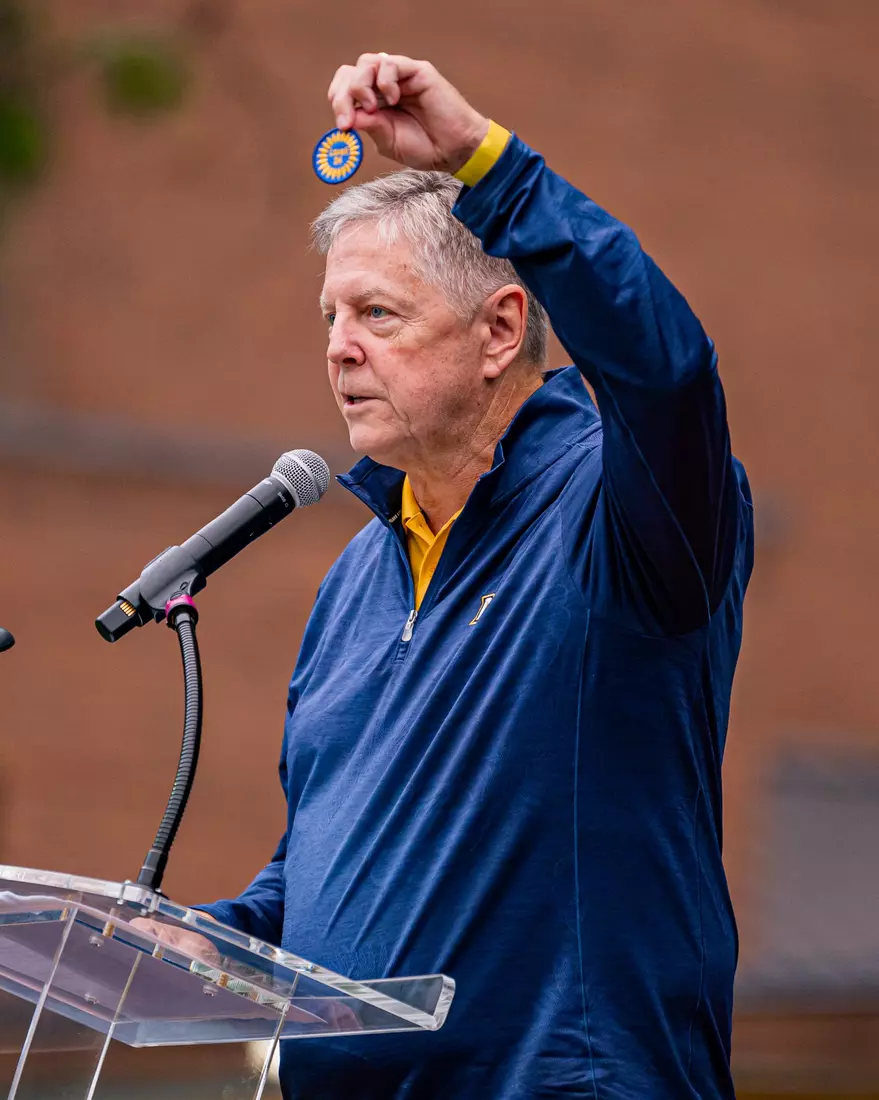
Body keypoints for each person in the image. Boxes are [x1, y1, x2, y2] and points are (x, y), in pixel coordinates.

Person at [152, 53, 754, 1099]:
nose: (339, 350)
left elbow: (669, 368)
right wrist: (197, 939)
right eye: (329, 319)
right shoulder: (355, 578)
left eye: (377, 315)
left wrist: (490, 164)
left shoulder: (622, 509)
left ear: (501, 331)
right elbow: (322, 871)